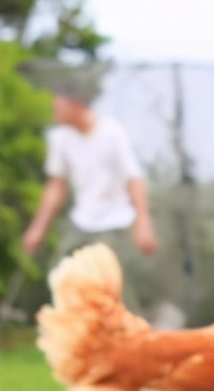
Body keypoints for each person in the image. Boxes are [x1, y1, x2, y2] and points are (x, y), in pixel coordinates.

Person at [21, 68, 158, 311]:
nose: (54, 110)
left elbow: (134, 179)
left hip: (114, 222)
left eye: (59, 104)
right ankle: (75, 335)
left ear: (76, 104)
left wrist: (143, 222)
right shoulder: (60, 138)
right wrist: (37, 229)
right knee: (61, 274)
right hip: (82, 221)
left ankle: (135, 341)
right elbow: (57, 185)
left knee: (112, 284)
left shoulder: (112, 133)